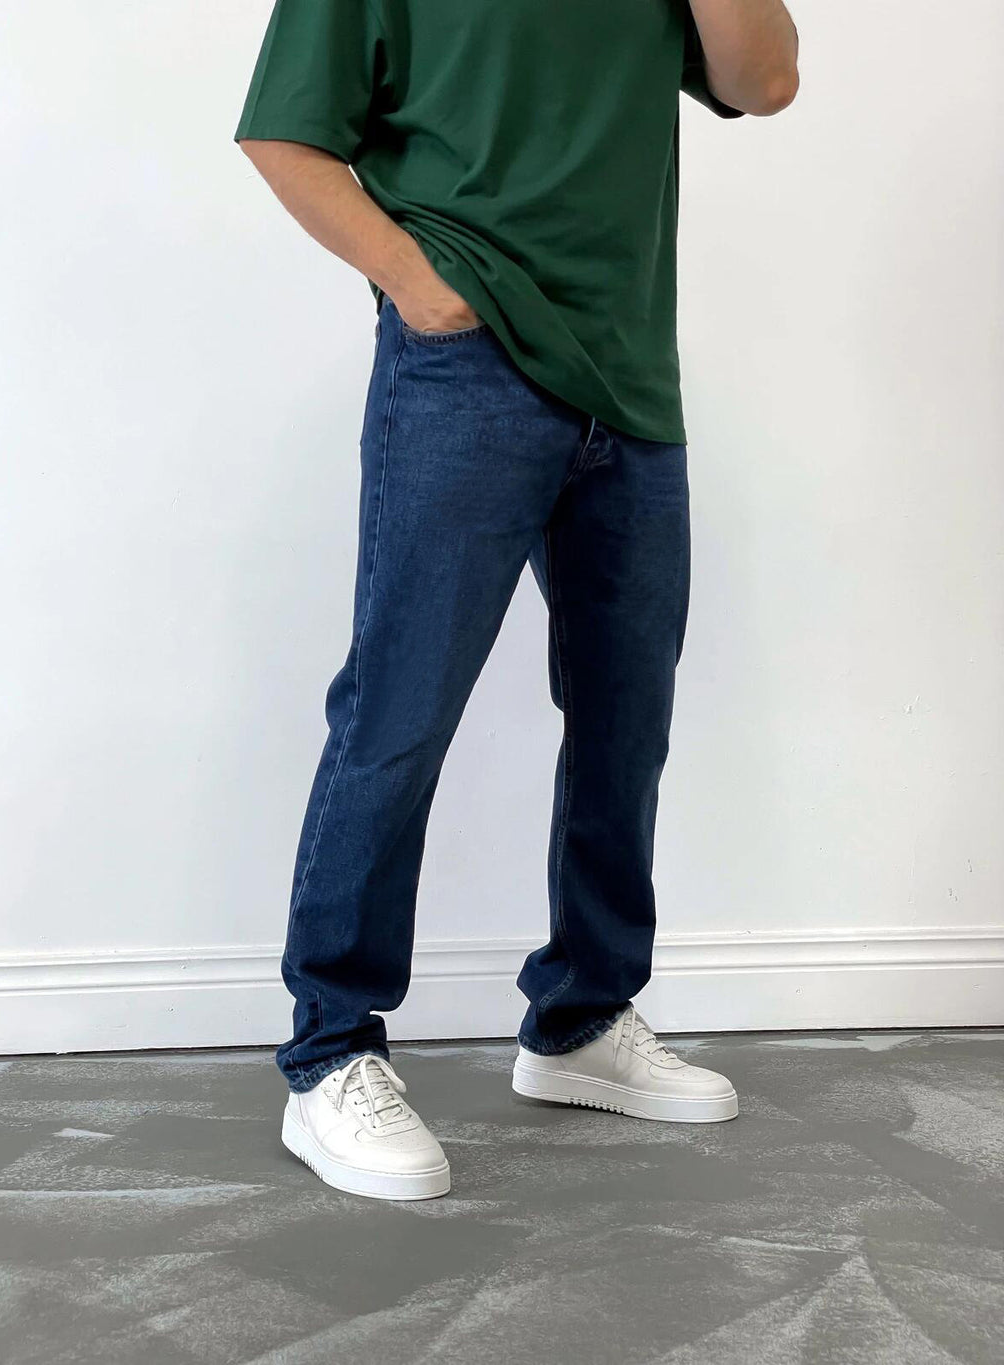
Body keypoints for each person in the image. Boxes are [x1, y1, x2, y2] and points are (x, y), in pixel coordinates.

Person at [235, 0, 799, 1201]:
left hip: (629, 376)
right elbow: (283, 133)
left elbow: (764, 82)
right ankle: (329, 1049)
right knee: (398, 710)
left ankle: (583, 1020)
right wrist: (416, 283)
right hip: (466, 367)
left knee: (624, 720)